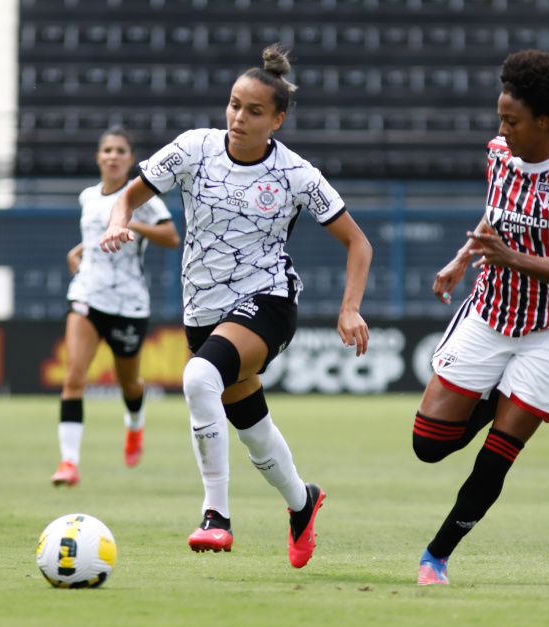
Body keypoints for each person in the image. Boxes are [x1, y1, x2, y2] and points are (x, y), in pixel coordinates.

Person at [100, 45, 373, 568]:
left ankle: (215, 517)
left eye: (252, 111)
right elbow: (129, 196)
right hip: (203, 310)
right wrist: (118, 221)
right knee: (251, 429)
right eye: (233, 105)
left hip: (268, 299)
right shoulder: (194, 149)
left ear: (277, 119)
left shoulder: (296, 175)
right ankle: (303, 502)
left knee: (200, 379)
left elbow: (357, 243)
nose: (238, 118)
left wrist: (349, 308)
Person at [413, 50, 549, 585]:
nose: (502, 128)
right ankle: (503, 397)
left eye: (511, 120)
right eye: (501, 118)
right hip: (491, 313)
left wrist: (511, 257)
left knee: (497, 457)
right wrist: (462, 258)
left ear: (543, 121)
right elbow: (495, 213)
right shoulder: (500, 153)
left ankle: (436, 556)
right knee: (428, 444)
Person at [51, 125, 181, 488]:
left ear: (130, 159)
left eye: (120, 151)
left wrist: (132, 223)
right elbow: (93, 238)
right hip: (88, 296)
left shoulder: (142, 198)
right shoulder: (87, 197)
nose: (112, 156)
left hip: (128, 303)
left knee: (130, 384)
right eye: (107, 150)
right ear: (98, 157)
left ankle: (134, 427)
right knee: (75, 376)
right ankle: (69, 463)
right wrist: (78, 253)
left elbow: (172, 237)